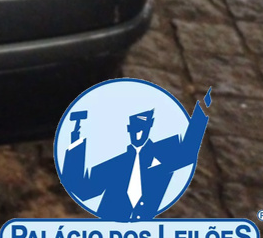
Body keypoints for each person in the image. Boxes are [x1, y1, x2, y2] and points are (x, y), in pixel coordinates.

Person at [59, 90, 211, 221]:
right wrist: (76, 139)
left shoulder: (162, 153)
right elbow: (83, 188)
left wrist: (203, 106)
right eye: (134, 124)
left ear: (151, 124)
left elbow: (188, 148)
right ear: (128, 127)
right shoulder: (112, 164)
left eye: (143, 123)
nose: (138, 130)